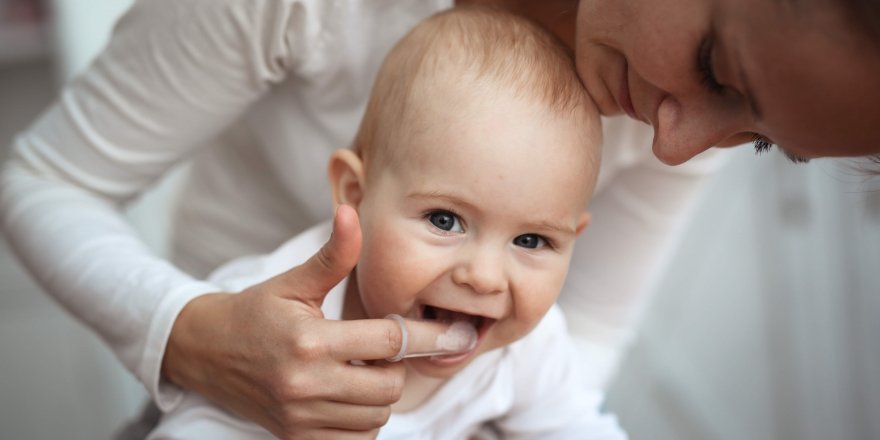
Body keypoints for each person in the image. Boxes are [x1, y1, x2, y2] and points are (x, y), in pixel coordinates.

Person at [0, 0, 877, 438]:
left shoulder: (523, 346)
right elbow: (43, 179)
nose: (684, 148)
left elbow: (577, 366)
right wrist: (190, 336)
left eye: (759, 140)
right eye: (716, 66)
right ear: (350, 191)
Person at [146, 8, 624, 438]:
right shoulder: (269, 324)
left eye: (531, 239)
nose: (484, 276)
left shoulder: (528, 349)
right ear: (355, 194)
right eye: (445, 219)